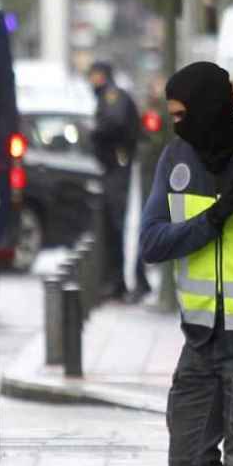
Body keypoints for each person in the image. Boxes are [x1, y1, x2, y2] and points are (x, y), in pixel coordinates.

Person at [140, 62, 233, 466]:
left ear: (209, 107)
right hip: (198, 341)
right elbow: (151, 241)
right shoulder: (176, 157)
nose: (177, 126)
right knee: (187, 457)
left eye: (182, 115)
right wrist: (213, 219)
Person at [87, 61, 150, 302]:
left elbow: (115, 123)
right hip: (114, 168)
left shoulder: (113, 96)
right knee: (114, 227)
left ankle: (125, 282)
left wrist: (95, 132)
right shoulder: (109, 96)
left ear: (101, 76)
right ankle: (118, 282)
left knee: (120, 225)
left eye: (92, 76)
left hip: (119, 167)